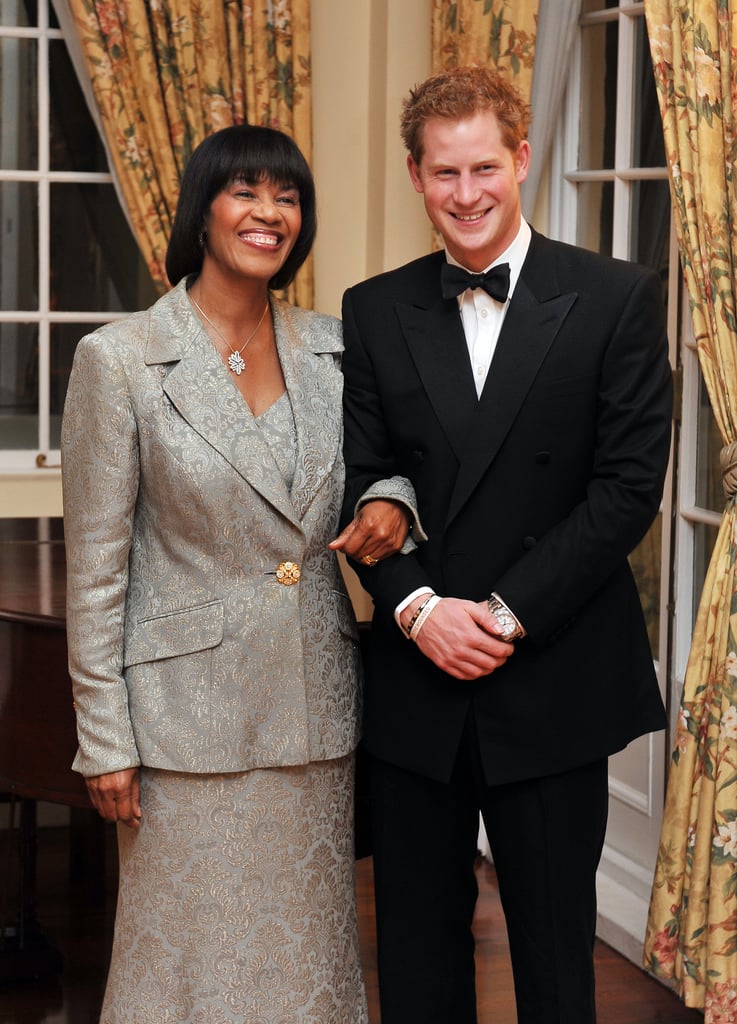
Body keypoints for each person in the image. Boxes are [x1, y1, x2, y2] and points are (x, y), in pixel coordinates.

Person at [333, 67, 673, 1023]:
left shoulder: (614, 296)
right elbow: (364, 484)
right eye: (445, 173)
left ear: (520, 159)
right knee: (415, 958)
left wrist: (503, 613)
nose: (467, 193)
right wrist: (414, 609)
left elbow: (626, 490)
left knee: (557, 966)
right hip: (417, 676)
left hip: (555, 670)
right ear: (414, 176)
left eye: (484, 166)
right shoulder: (374, 308)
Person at [61, 123, 412, 1023]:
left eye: (287, 196)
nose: (269, 213)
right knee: (182, 962)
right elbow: (96, 570)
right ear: (203, 209)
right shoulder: (120, 359)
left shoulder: (337, 349)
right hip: (185, 727)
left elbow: (393, 463)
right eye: (246, 191)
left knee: (306, 963)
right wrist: (105, 738)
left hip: (315, 711)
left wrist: (392, 504)